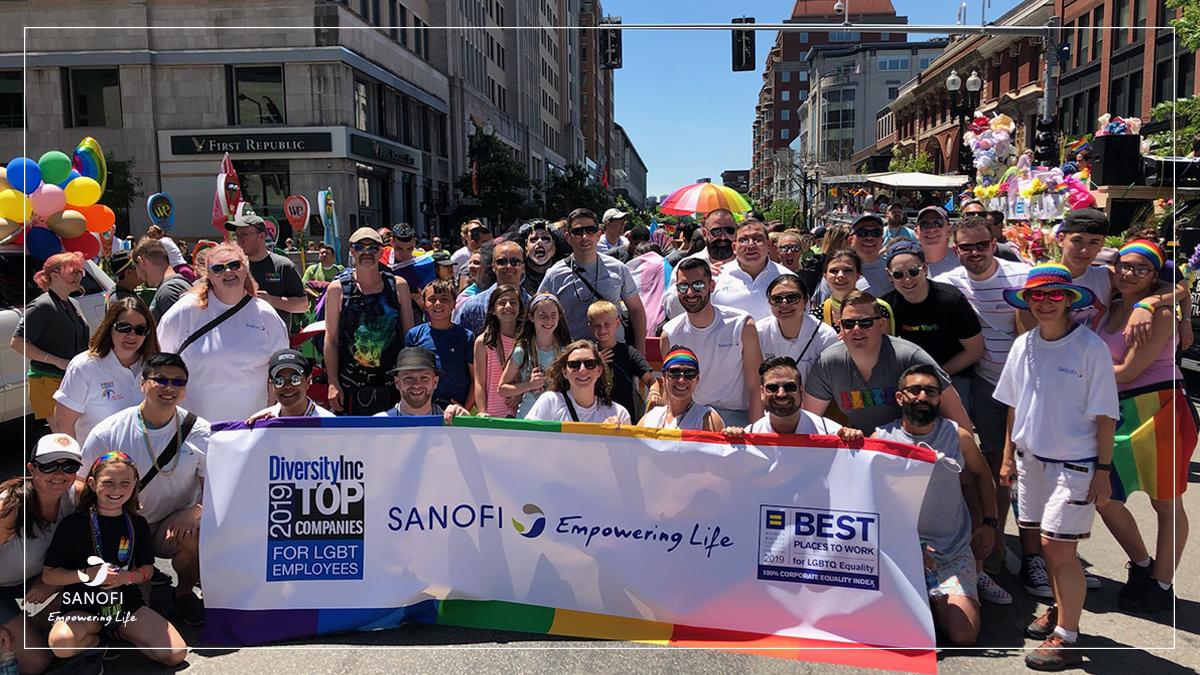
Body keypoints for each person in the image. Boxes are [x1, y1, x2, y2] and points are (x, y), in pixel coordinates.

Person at [995, 263, 1119, 671]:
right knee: (1046, 545)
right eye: (1037, 295)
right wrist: (1007, 456)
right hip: (1031, 461)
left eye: (1054, 295)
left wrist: (1103, 471)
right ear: (1027, 301)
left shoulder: (1089, 347)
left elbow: (1106, 415)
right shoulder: (1023, 344)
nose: (1045, 302)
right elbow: (1014, 404)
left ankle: (1067, 635)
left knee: (1057, 548)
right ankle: (1061, 609)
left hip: (1075, 463)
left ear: (1069, 300)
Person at [934, 215, 1052, 594]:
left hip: (1032, 386)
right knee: (996, 466)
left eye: (981, 245)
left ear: (994, 242)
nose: (974, 253)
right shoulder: (948, 282)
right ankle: (996, 543)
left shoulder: (1023, 275)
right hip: (988, 384)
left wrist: (1174, 293)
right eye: (966, 247)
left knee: (1031, 468)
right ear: (956, 250)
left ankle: (1035, 556)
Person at [1095, 240, 1198, 613]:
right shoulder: (1113, 304)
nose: (1129, 273)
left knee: (1165, 503)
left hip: (1161, 410)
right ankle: (1141, 565)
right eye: (1124, 265)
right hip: (1118, 412)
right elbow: (1179, 285)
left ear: (1155, 275)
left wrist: (1075, 370)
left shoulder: (1161, 312)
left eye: (1142, 269)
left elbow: (1128, 372)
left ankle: (1161, 583)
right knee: (1105, 496)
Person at [874, 365, 1002, 644]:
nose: (922, 397)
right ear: (899, 397)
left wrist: (989, 524)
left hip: (951, 551)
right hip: (900, 554)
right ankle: (925, 598)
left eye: (930, 391)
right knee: (891, 631)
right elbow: (867, 498)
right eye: (914, 390)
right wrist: (907, 547)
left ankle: (938, 597)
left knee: (963, 634)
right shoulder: (880, 440)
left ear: (939, 399)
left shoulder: (958, 437)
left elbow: (982, 476)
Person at [79, 352, 209, 626]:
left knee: (195, 533)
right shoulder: (109, 432)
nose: (169, 387)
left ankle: (184, 592)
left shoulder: (200, 432)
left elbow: (219, 485)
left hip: (171, 523)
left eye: (178, 382)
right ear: (142, 383)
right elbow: (81, 484)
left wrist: (196, 510)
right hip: (122, 523)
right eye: (160, 379)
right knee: (133, 613)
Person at [44, 451, 188, 669]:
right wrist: (87, 574)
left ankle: (120, 631)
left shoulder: (137, 524)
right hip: (83, 607)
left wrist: (127, 577)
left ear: (134, 485)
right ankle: (98, 642)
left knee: (175, 654)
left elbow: (147, 570)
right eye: (108, 483)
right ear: (92, 484)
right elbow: (50, 575)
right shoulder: (73, 525)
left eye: (125, 483)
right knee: (62, 644)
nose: (116, 490)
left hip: (125, 607)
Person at [802, 290, 972, 435]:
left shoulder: (910, 357)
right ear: (840, 326)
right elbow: (809, 421)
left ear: (881, 324)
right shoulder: (828, 363)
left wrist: (968, 454)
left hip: (919, 445)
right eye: (849, 323)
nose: (856, 329)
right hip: (866, 448)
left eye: (866, 322)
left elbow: (958, 418)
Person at [157, 243, 288, 422]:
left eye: (234, 265)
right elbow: (158, 367)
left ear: (245, 269)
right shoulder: (184, 312)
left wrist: (270, 415)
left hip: (250, 430)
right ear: (209, 276)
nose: (228, 272)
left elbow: (280, 372)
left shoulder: (266, 315)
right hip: (195, 430)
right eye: (218, 268)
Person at [0, 434, 81, 675]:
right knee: (36, 663)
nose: (59, 474)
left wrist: (51, 583)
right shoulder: (10, 507)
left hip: (33, 578)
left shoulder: (78, 495)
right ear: (32, 468)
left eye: (69, 466)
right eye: (48, 466)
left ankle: (28, 625)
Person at [660, 258, 763, 426]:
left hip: (736, 417)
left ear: (711, 286)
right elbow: (669, 389)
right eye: (683, 287)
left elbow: (755, 386)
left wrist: (755, 433)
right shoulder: (670, 333)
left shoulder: (742, 324)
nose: (690, 293)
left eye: (698, 285)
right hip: (689, 417)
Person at [881, 241, 984, 409]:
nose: (907, 279)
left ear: (925, 268)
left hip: (952, 375)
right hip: (910, 381)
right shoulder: (887, 306)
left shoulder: (951, 300)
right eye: (898, 274)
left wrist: (935, 376)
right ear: (889, 276)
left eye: (913, 272)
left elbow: (975, 350)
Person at [323, 228, 415, 415]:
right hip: (351, 385)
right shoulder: (337, 289)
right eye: (360, 247)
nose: (366, 253)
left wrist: (411, 379)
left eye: (372, 248)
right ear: (352, 251)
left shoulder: (398, 286)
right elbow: (331, 339)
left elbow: (409, 336)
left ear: (381, 252)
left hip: (393, 385)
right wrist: (333, 382)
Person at [537, 208, 647, 353]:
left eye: (590, 231)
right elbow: (538, 312)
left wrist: (641, 352)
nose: (584, 237)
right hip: (574, 357)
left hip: (614, 356)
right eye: (577, 232)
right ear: (568, 237)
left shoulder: (619, 269)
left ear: (598, 234)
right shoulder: (554, 274)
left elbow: (636, 309)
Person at [52, 299, 159, 443]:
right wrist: (75, 457)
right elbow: (63, 424)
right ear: (109, 327)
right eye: (123, 327)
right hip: (97, 456)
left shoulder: (155, 366)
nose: (132, 335)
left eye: (141, 330)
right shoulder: (84, 366)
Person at [10, 252, 90, 429]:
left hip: (71, 380)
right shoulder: (41, 306)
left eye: (80, 272)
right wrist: (57, 361)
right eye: (73, 272)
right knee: (66, 435)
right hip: (49, 382)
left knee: (80, 431)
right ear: (54, 275)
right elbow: (17, 342)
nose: (78, 277)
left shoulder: (72, 303)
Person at [666, 219, 789, 322]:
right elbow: (677, 313)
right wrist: (692, 282)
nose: (751, 245)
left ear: (768, 245)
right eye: (744, 240)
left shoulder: (788, 279)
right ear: (734, 247)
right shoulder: (716, 277)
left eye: (758, 239)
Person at [736, 356, 861, 440]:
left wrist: (853, 439)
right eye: (772, 388)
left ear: (801, 391)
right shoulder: (749, 437)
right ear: (762, 393)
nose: (781, 394)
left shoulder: (832, 433)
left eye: (789, 387)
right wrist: (731, 440)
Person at [756, 274, 839, 388]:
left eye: (792, 298)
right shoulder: (758, 333)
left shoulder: (826, 336)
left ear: (805, 300)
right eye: (777, 299)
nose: (784, 304)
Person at [227, 213, 307, 329]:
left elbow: (303, 305)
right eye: (237, 235)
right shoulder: (235, 268)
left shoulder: (283, 266)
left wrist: (270, 300)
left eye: (244, 235)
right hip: (241, 336)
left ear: (261, 236)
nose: (239, 241)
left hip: (275, 337)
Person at [405, 279, 475, 409]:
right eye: (432, 299)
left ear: (454, 304)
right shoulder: (414, 335)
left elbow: (475, 379)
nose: (438, 304)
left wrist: (465, 409)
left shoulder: (466, 337)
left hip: (457, 408)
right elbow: (408, 376)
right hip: (423, 408)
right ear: (424, 304)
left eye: (444, 299)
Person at [499, 293, 571, 419]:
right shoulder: (522, 350)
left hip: (557, 418)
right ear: (531, 317)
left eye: (553, 315)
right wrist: (530, 385)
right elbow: (502, 389)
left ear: (559, 317)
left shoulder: (566, 350)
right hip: (528, 417)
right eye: (543, 316)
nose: (549, 320)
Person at [525, 339, 631, 424]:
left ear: (599, 370)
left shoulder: (619, 414)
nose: (582, 370)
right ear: (564, 372)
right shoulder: (550, 402)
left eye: (589, 364)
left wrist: (612, 434)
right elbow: (527, 437)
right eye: (574, 365)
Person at [588, 300, 659, 421]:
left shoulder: (629, 353)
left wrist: (654, 392)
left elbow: (651, 380)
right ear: (590, 326)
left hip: (626, 417)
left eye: (607, 324)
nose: (602, 329)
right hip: (595, 417)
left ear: (617, 323)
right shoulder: (587, 354)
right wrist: (594, 363)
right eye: (597, 325)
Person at [637, 347, 724, 430]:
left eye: (689, 373)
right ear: (663, 377)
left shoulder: (707, 419)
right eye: (674, 372)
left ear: (697, 379)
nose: (681, 380)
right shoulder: (649, 419)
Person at [454, 239, 529, 335]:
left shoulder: (532, 307)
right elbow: (456, 339)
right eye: (502, 262)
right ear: (493, 266)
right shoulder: (472, 308)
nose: (509, 266)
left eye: (515, 262)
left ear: (523, 267)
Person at [374, 347, 471, 420]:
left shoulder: (451, 422)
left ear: (435, 382)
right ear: (397, 382)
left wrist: (466, 424)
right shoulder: (380, 424)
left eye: (424, 378)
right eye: (408, 378)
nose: (416, 384)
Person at [813, 249, 895, 334]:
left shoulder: (879, 309)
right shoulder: (816, 316)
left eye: (847, 270)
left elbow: (884, 341)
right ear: (825, 276)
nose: (840, 275)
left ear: (858, 275)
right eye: (834, 271)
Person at [472, 285, 523, 418]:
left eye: (513, 302)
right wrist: (482, 411)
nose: (508, 306)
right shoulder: (484, 341)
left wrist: (520, 394)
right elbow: (479, 382)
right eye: (502, 302)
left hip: (522, 413)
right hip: (493, 414)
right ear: (493, 310)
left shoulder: (526, 340)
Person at [247, 349, 335, 420]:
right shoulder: (260, 422)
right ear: (272, 384)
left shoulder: (329, 424)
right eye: (279, 381)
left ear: (308, 382)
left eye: (295, 379)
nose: (287, 386)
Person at [132, 238, 193, 322]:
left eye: (135, 267)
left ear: (142, 261)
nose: (138, 276)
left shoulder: (167, 292)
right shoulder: (178, 284)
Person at [847, 213, 893, 296]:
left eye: (876, 233)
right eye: (862, 232)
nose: (869, 237)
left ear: (882, 241)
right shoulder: (837, 270)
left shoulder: (894, 269)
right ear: (850, 240)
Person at [519, 220, 566, 297]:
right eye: (534, 239)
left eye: (545, 238)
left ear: (553, 249)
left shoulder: (563, 273)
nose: (539, 242)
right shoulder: (517, 274)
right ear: (526, 249)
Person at [916, 206, 961, 277]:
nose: (931, 229)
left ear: (949, 230)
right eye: (924, 224)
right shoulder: (907, 264)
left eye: (937, 223)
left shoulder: (964, 261)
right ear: (916, 232)